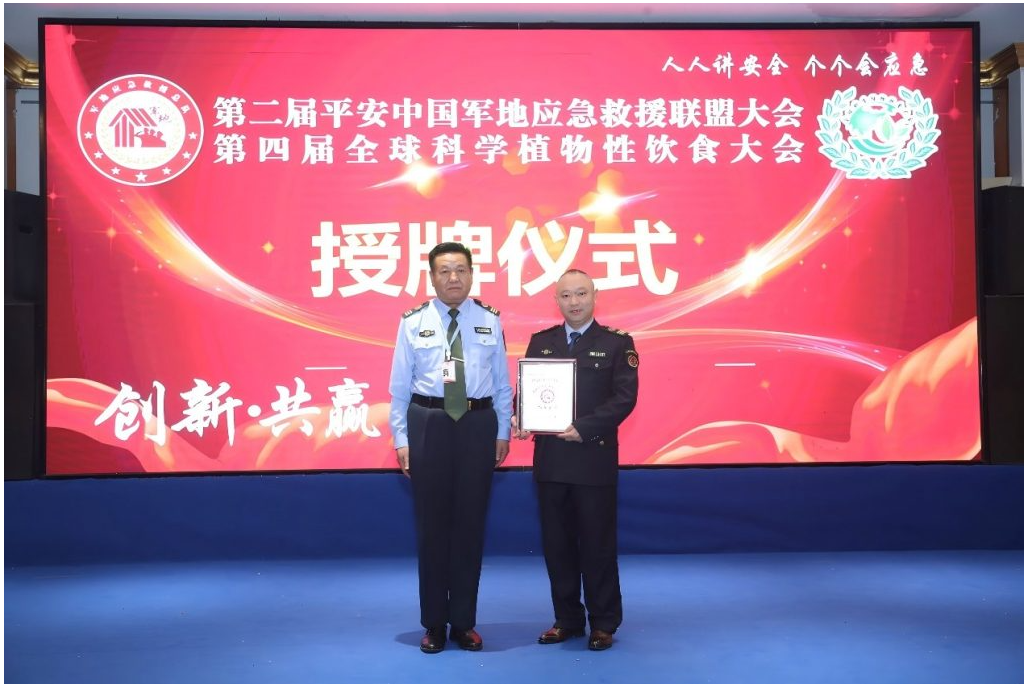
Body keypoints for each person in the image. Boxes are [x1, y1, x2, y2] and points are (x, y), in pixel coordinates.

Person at [388, 241, 513, 654]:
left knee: (470, 527)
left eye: (461, 269)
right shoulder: (412, 322)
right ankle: (433, 624)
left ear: (472, 274)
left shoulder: (490, 319)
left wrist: (502, 431)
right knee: (432, 528)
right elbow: (399, 389)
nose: (453, 278)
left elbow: (501, 384)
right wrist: (402, 439)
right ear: (432, 277)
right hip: (429, 423)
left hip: (477, 424)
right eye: (444, 271)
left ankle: (463, 622)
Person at [514, 269, 639, 651]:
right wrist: (520, 417)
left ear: (595, 295)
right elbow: (527, 392)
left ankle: (603, 622)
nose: (574, 302)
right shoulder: (542, 342)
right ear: (556, 300)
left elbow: (624, 399)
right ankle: (566, 619)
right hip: (551, 462)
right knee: (558, 546)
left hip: (592, 459)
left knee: (598, 546)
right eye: (566, 295)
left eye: (581, 293)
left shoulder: (617, 343)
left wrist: (584, 428)